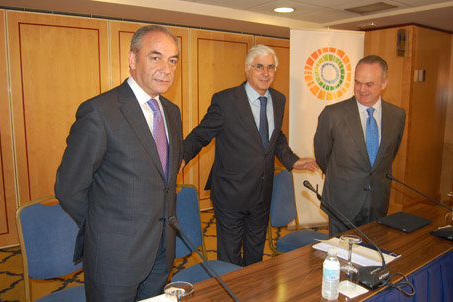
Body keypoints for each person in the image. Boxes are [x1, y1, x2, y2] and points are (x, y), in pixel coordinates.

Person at [55, 25, 183, 301]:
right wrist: (106, 226)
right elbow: (69, 188)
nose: (167, 68)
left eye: (173, 60)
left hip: (162, 248)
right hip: (115, 254)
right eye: (156, 57)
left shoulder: (172, 112)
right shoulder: (100, 112)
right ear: (133, 60)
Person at [180, 45, 318, 266]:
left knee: (255, 253)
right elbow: (201, 134)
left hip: (262, 193)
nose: (266, 73)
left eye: (270, 67)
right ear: (247, 69)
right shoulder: (226, 100)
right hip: (230, 193)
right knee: (230, 256)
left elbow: (276, 137)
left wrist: (293, 160)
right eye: (259, 67)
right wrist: (182, 155)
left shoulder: (279, 99)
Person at [314, 55, 406, 236]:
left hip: (378, 201)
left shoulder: (397, 115)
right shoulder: (333, 114)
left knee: (373, 256)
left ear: (384, 83)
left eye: (369, 84)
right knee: (341, 259)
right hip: (342, 202)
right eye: (357, 82)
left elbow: (388, 155)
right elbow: (323, 156)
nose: (361, 89)